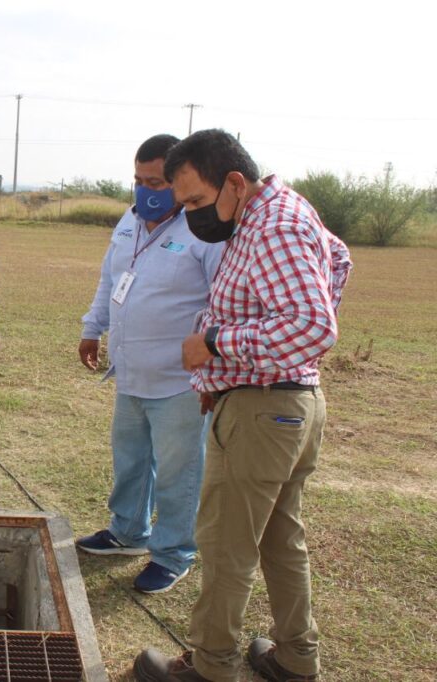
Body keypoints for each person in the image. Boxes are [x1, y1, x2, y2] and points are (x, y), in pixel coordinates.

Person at [133, 130, 352, 682]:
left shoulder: (273, 226)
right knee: (282, 539)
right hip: (287, 403)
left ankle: (210, 666)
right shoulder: (279, 212)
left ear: (234, 182)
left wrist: (216, 347)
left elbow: (311, 324)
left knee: (227, 546)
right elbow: (339, 260)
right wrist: (230, 368)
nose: (190, 215)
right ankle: (296, 658)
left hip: (263, 412)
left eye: (196, 203)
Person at [75, 134, 224, 594]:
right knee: (131, 458)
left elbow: (222, 301)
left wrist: (213, 369)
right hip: (131, 370)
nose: (145, 190)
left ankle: (173, 552)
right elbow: (111, 277)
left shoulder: (205, 228)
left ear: (180, 181)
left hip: (180, 380)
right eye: (137, 180)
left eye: (155, 181)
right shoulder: (130, 219)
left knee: (181, 470)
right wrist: (91, 326)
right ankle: (128, 533)